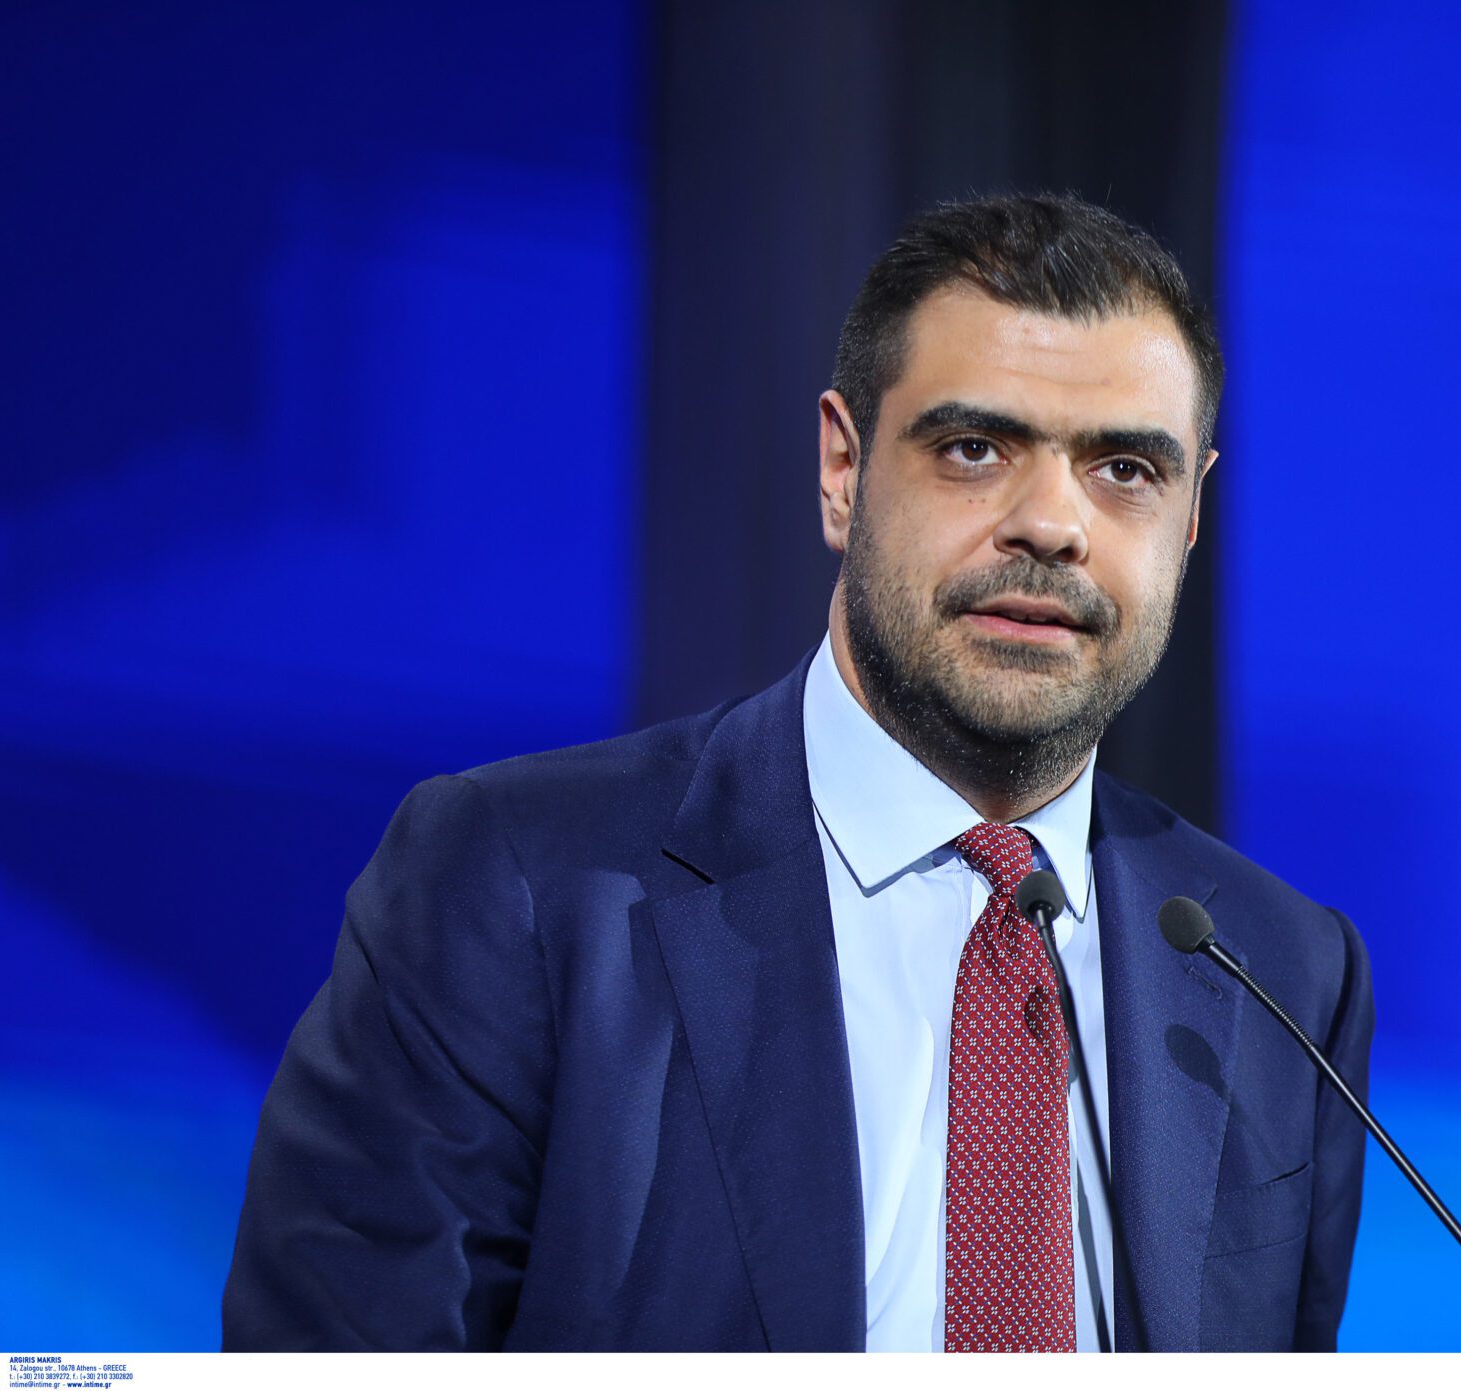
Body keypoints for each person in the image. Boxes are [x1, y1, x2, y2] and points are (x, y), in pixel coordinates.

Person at [222, 192, 1373, 1353]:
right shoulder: (516, 884)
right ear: (840, 467)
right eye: (974, 449)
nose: (1050, 524)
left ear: (1189, 515)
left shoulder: (1282, 971)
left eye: (1124, 467)